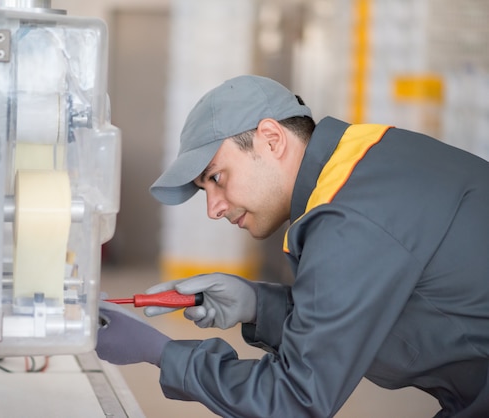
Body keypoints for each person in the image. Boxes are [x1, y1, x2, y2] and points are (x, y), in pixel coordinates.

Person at [95, 75, 489, 417]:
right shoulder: (366, 162)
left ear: (271, 139)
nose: (214, 209)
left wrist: (162, 353)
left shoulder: (349, 217)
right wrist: (257, 304)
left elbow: (294, 399)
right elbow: (357, 319)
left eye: (216, 177)